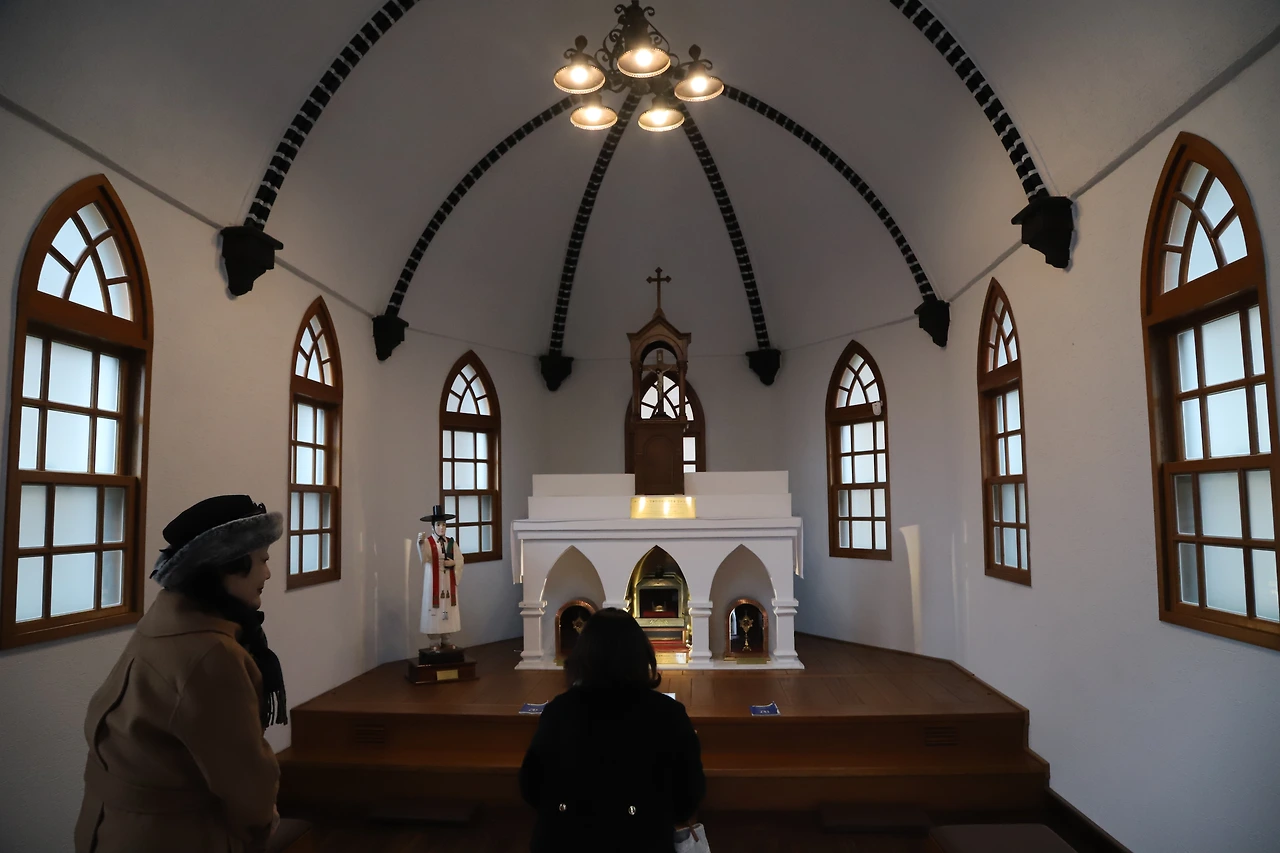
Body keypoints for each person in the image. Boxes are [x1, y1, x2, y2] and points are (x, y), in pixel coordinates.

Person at [75, 495, 287, 853]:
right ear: (228, 564)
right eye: (262, 560)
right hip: (169, 836)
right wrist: (260, 830)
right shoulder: (212, 653)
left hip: (108, 827)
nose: (267, 574)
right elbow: (248, 787)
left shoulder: (164, 620)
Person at [519, 608, 705, 852]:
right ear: (642, 655)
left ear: (583, 655)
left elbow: (531, 786)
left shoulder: (559, 711)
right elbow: (687, 799)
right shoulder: (668, 714)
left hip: (564, 841)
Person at [418, 505, 465, 650]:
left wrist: (453, 563)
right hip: (434, 581)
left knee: (448, 608)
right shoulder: (428, 543)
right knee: (434, 608)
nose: (442, 528)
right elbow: (424, 557)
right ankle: (434, 642)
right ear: (432, 527)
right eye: (438, 525)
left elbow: (460, 559)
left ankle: (447, 639)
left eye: (444, 524)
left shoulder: (451, 542)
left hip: (448, 581)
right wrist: (420, 543)